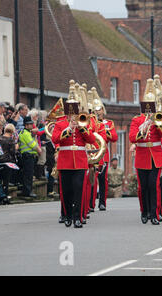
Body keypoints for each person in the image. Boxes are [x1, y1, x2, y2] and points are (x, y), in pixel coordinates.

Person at [52, 87, 97, 228]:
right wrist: (68, 129)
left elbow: (91, 140)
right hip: (65, 161)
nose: (72, 114)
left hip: (80, 161)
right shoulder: (60, 124)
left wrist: (81, 128)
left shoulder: (83, 123)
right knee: (66, 191)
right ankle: (67, 215)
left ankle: (78, 217)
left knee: (78, 188)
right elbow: (55, 139)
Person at [130, 79, 162, 226]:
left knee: (154, 184)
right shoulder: (136, 120)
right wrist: (144, 125)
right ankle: (144, 211)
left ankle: (154, 213)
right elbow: (132, 137)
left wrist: (156, 123)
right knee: (143, 187)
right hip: (142, 156)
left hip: (155, 156)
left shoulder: (159, 118)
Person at [93, 88, 118, 211]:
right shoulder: (90, 122)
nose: (98, 112)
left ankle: (102, 202)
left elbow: (114, 137)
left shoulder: (109, 123)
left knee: (102, 179)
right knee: (92, 179)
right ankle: (90, 203)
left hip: (103, 154)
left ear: (103, 110)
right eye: (96, 110)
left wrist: (106, 131)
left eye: (100, 110)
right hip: (92, 152)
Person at [18, 116, 41, 198]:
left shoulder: (27, 132)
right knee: (28, 175)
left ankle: (26, 191)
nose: (32, 125)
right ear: (26, 125)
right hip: (27, 156)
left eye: (32, 123)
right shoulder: (26, 133)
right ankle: (28, 192)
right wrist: (39, 151)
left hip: (28, 156)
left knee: (28, 174)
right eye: (30, 124)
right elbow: (33, 145)